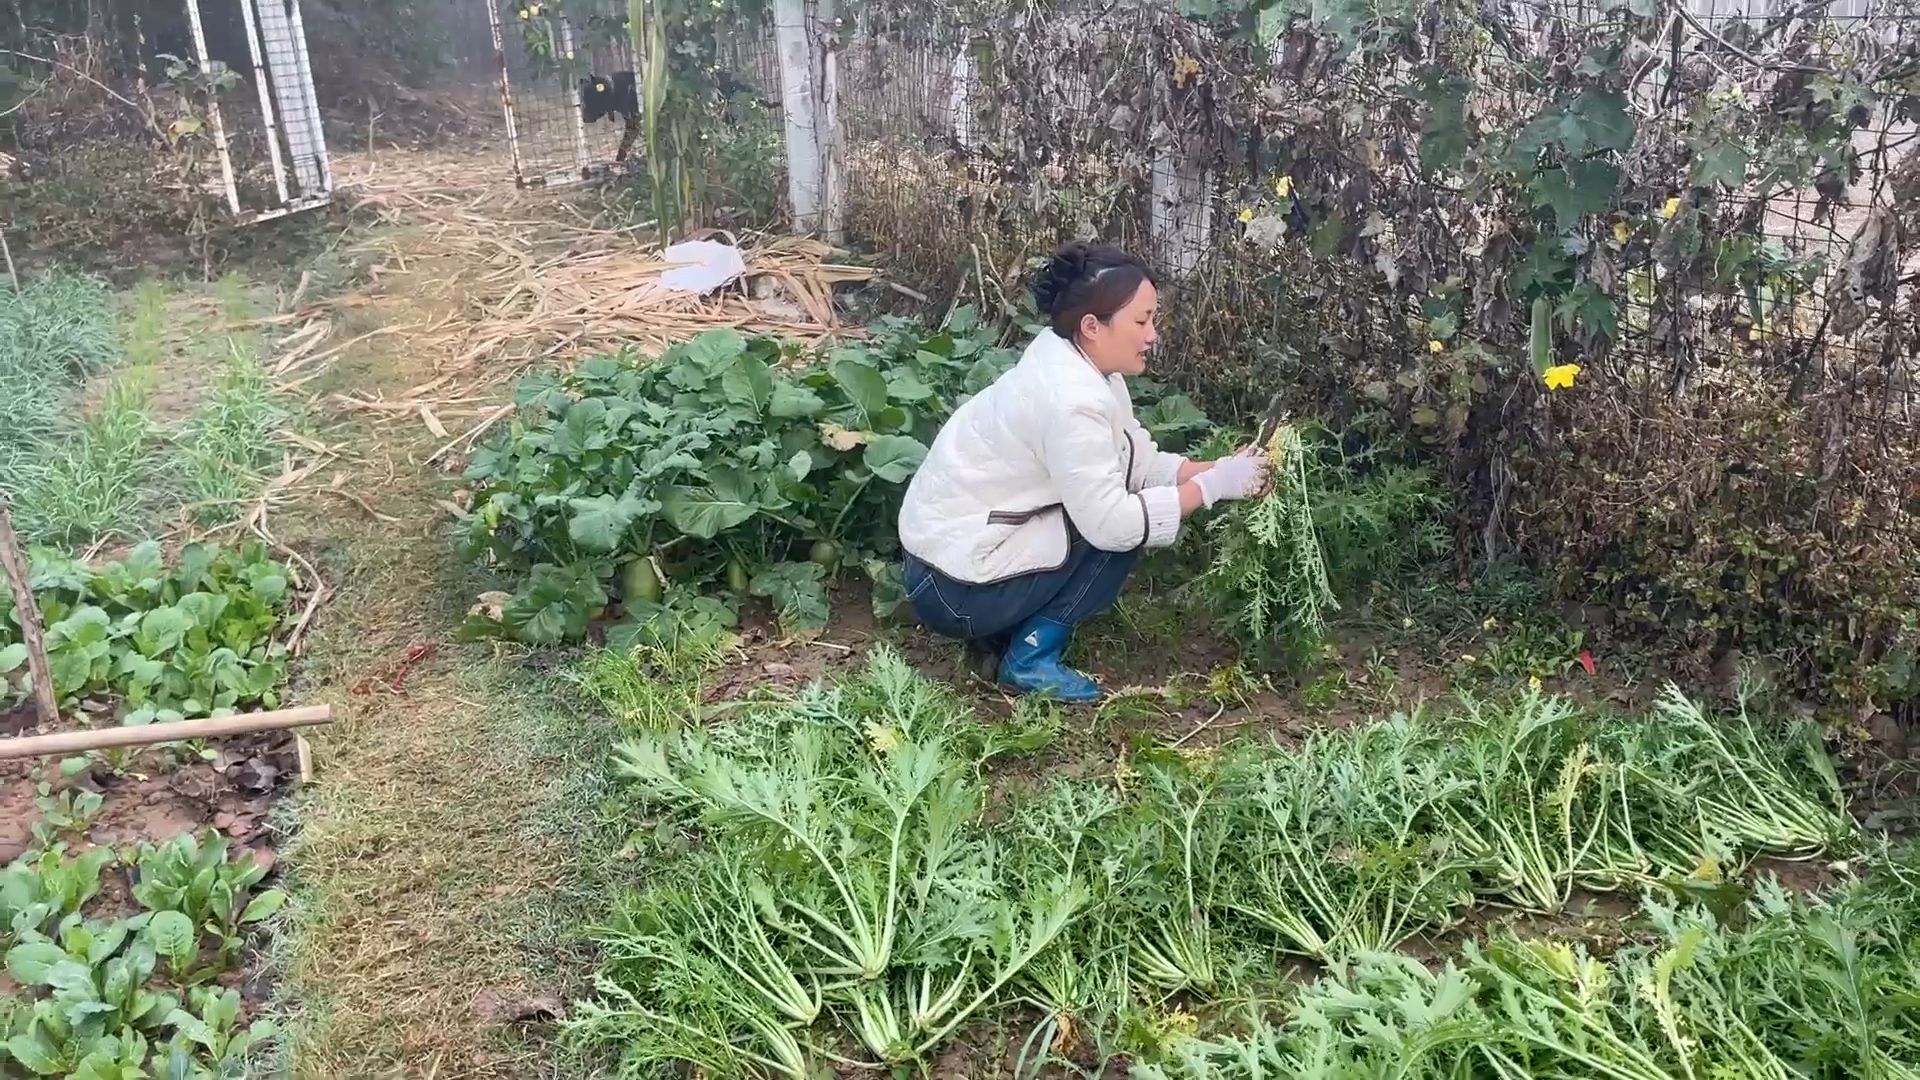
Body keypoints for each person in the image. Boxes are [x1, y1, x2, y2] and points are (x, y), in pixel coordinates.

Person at [897, 242, 1270, 701]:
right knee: (1117, 533)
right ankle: (1029, 659)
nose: (1153, 334)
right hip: (952, 586)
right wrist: (1211, 489)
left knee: (1117, 511)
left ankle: (999, 633)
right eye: (1141, 321)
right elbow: (1114, 524)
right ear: (1092, 326)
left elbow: (1138, 463)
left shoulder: (1079, 363)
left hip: (948, 561)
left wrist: (1223, 469)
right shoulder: (1069, 400)